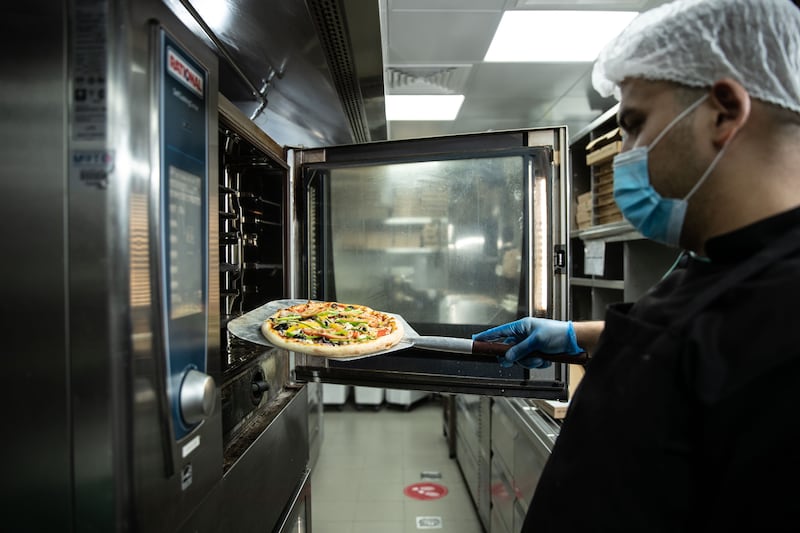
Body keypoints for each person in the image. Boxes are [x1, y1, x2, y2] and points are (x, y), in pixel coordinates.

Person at [473, 0, 800, 530]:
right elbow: (697, 349)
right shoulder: (716, 260)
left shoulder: (784, 312)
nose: (624, 152)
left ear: (723, 111)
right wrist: (583, 337)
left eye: (633, 124)